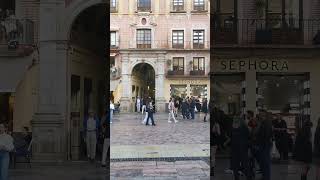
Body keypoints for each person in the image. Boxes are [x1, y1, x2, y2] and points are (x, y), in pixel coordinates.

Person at [256, 110, 273, 180]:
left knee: (265, 162)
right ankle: (264, 176)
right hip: (263, 144)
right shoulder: (262, 123)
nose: (258, 115)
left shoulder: (266, 123)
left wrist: (260, 140)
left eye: (260, 114)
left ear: (263, 115)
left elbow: (266, 134)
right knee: (263, 162)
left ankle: (266, 177)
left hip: (265, 145)